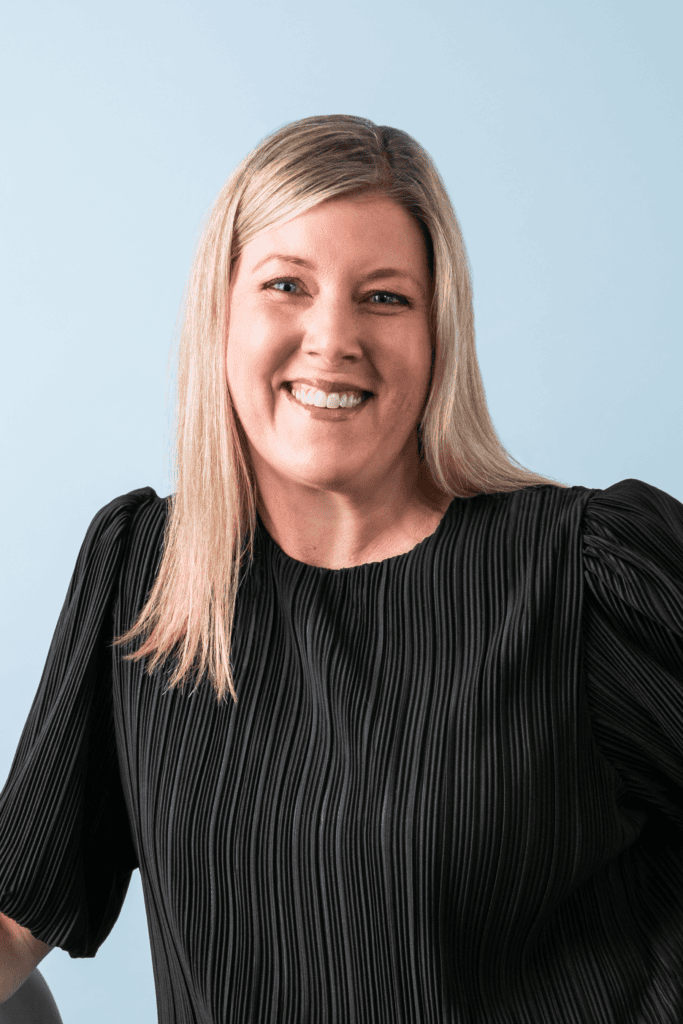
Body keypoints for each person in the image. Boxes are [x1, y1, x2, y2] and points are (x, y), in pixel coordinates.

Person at [0, 113, 682, 1023]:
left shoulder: (586, 574)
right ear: (222, 313)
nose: (332, 339)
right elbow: (15, 923)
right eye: (287, 285)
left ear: (439, 332)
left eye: (384, 297)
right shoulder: (146, 575)